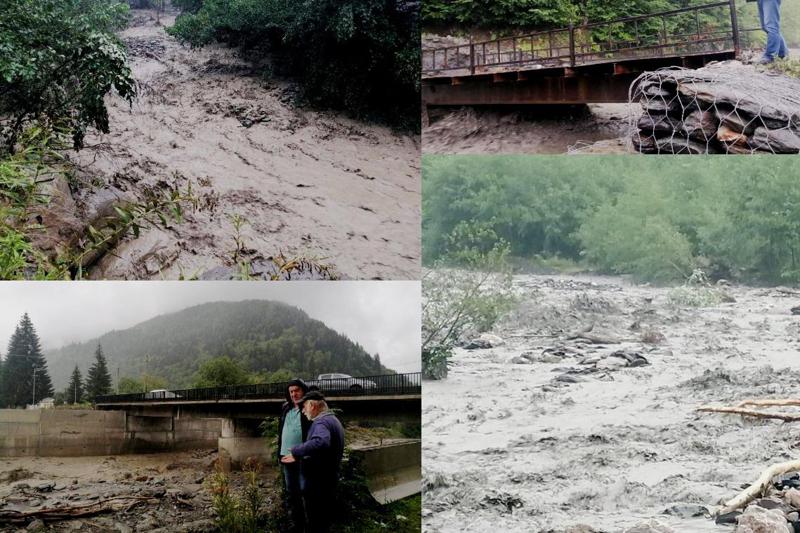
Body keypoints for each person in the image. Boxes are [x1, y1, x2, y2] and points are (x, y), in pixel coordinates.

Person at [281, 391, 345, 533]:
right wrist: (300, 456)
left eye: (304, 407)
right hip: (329, 481)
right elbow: (323, 450)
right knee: (323, 522)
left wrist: (296, 451)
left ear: (311, 405)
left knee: (315, 521)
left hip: (319, 484)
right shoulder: (332, 420)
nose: (303, 411)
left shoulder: (321, 422)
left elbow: (321, 442)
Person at [277, 378, 311, 533]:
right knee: (292, 493)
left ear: (303, 390)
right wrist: (279, 452)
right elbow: (281, 431)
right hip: (286, 457)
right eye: (291, 391)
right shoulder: (285, 408)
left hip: (303, 458)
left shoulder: (308, 408)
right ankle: (297, 525)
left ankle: (311, 526)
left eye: (297, 390)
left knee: (306, 493)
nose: (294, 394)